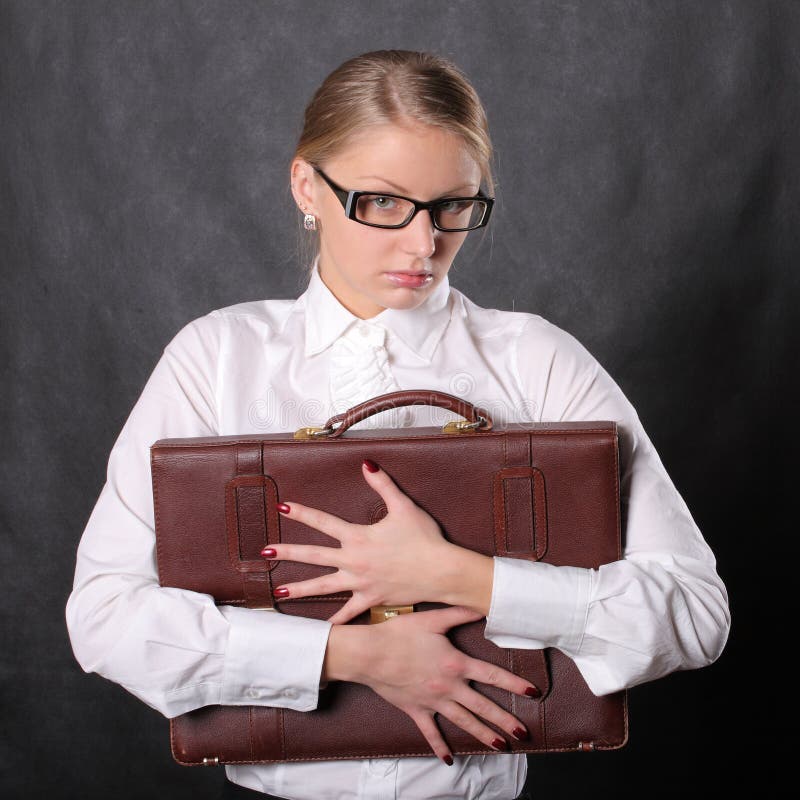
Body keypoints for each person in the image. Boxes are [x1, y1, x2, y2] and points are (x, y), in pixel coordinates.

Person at [66, 50, 730, 800]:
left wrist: (463, 576)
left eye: (454, 205)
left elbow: (697, 616)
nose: (425, 246)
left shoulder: (536, 359)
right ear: (307, 186)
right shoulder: (216, 359)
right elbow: (106, 616)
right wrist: (351, 656)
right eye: (383, 203)